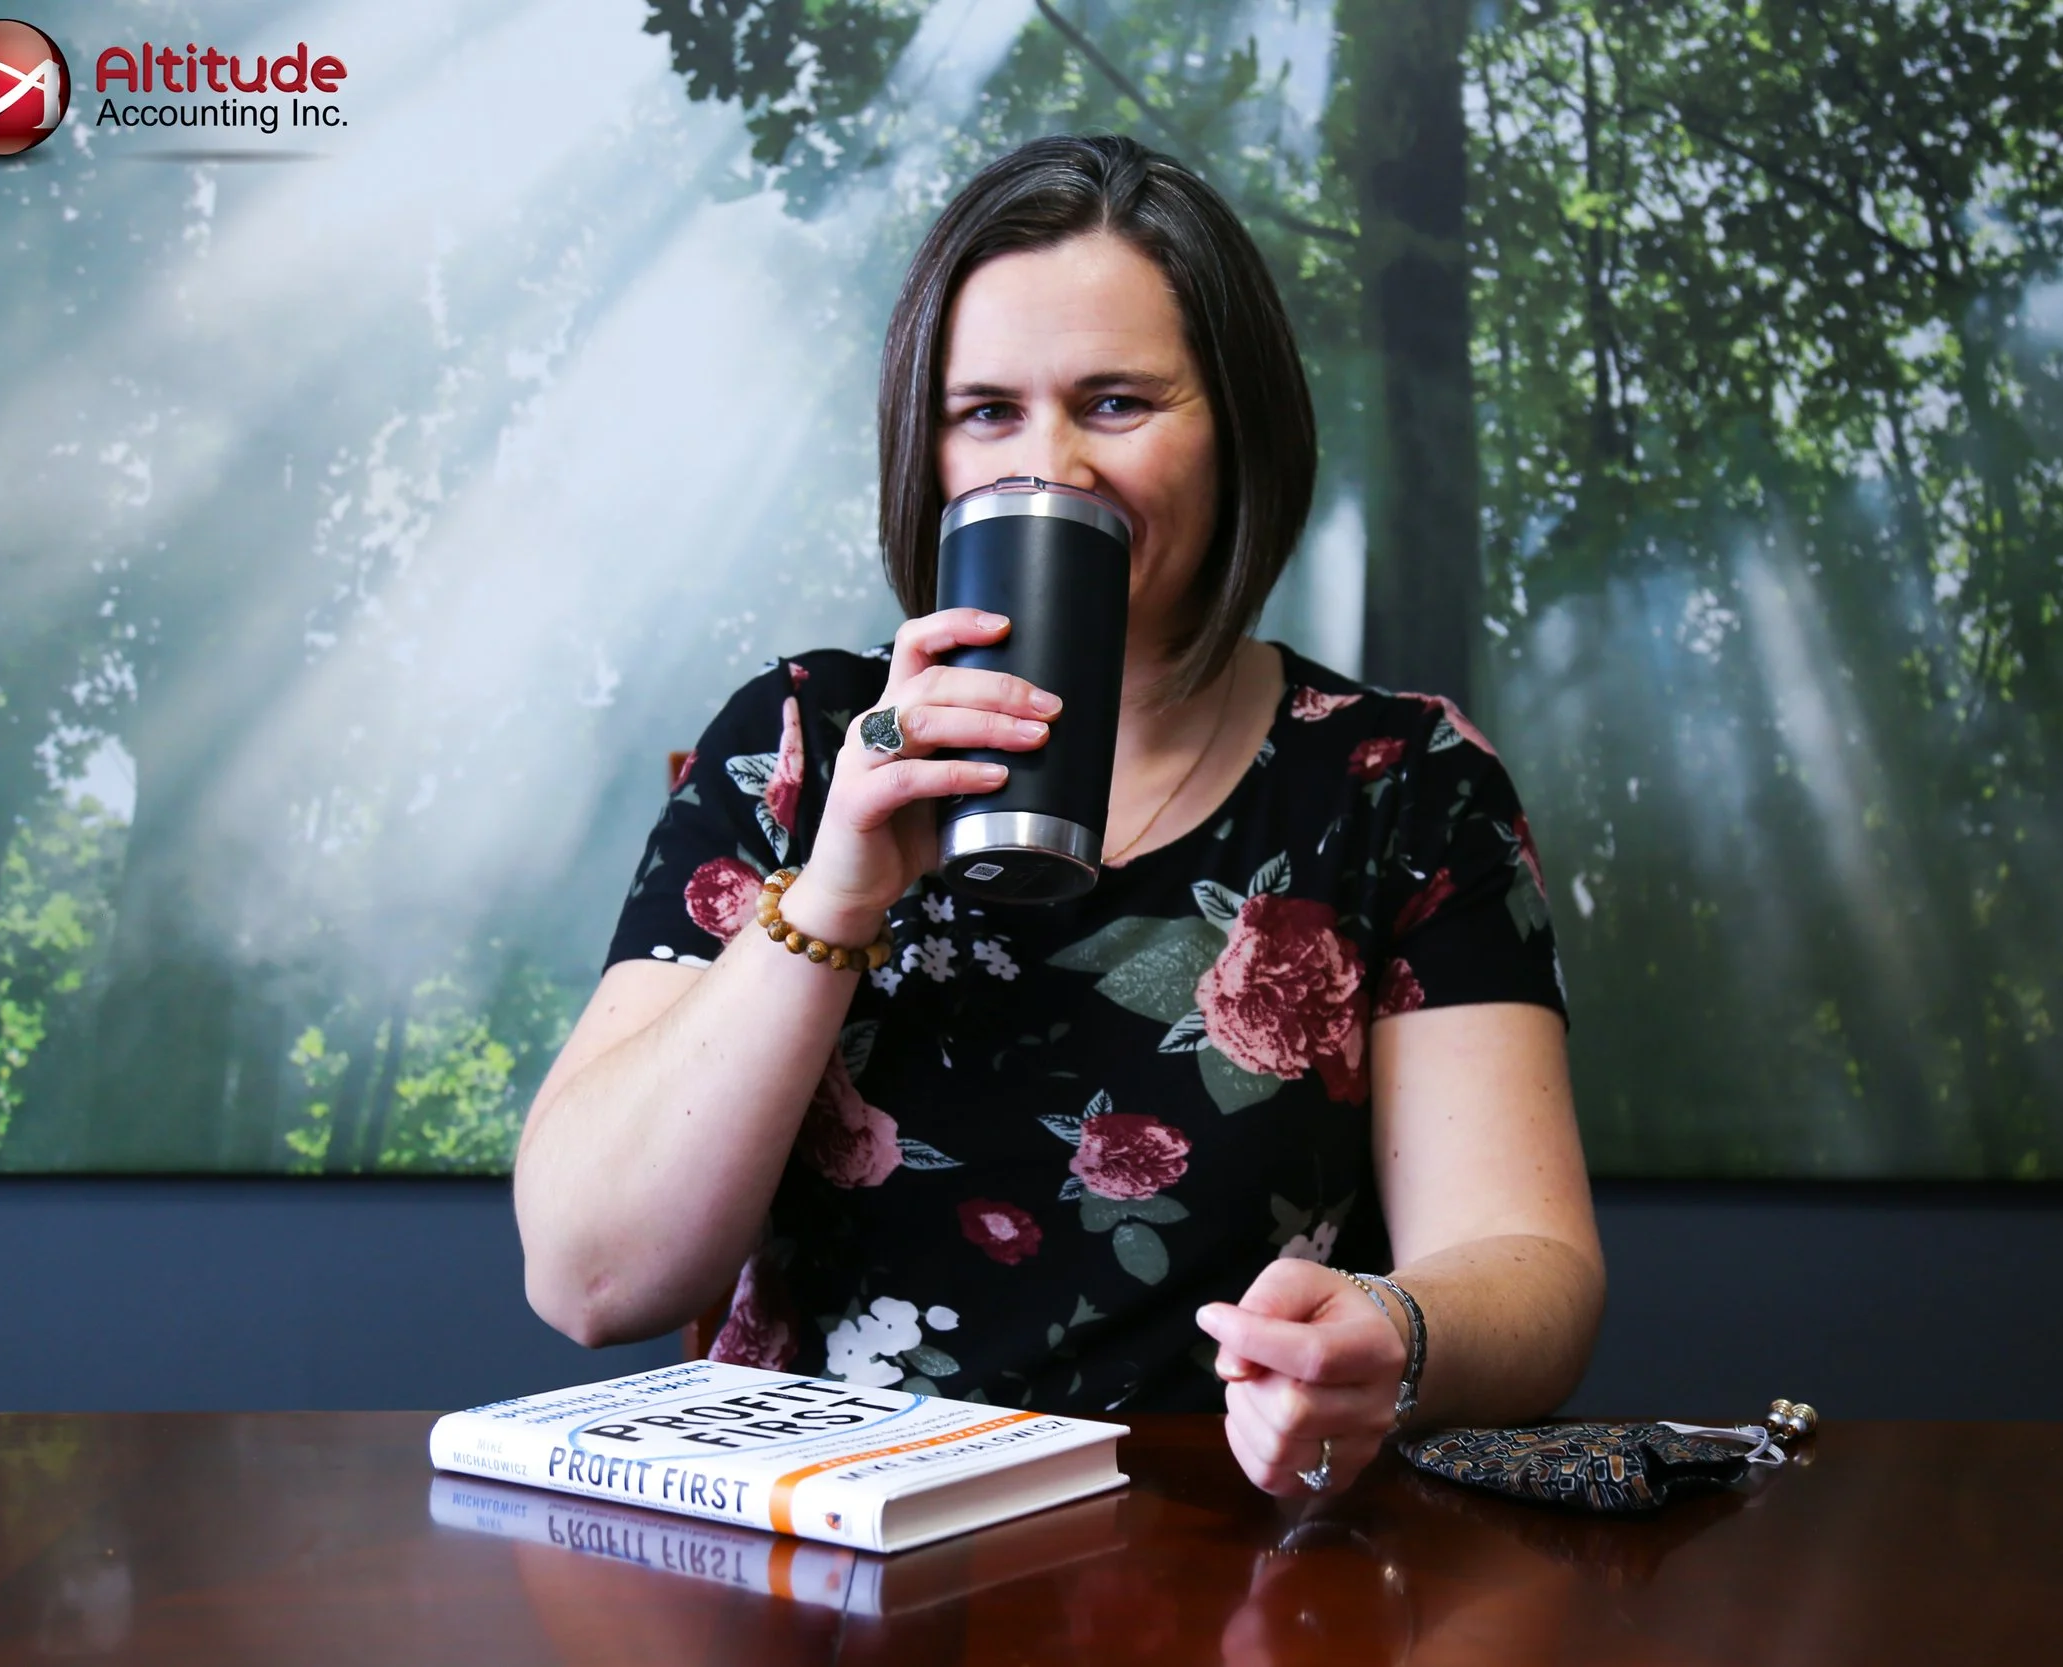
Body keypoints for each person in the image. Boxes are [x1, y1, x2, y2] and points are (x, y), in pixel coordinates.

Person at [514, 134, 1604, 1497]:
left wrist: (1396, 1332)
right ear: (926, 452)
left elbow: (1532, 1268)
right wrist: (837, 891)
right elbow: (591, 1279)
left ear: (1238, 428)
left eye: (1117, 402)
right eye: (986, 412)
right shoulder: (798, 742)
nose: (1053, 466)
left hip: (1225, 1547)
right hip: (828, 1552)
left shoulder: (1402, 783)